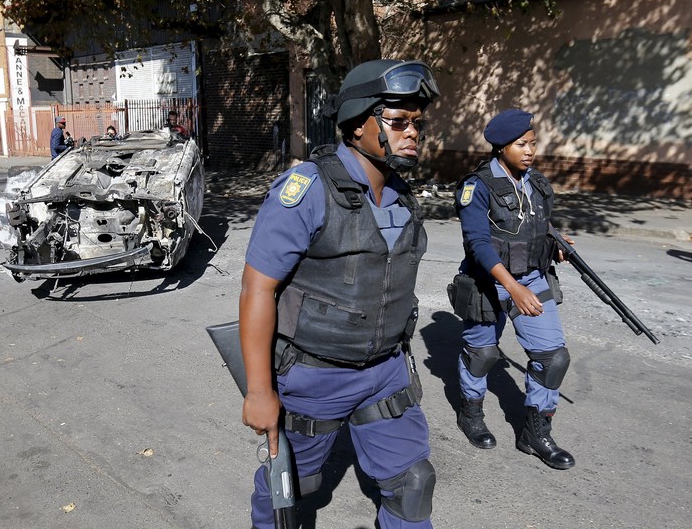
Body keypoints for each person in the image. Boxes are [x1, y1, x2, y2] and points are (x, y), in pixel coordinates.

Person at [239, 59, 440, 529]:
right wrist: (259, 391)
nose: (412, 132)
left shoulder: (401, 194)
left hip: (386, 370)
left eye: (417, 123)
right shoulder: (306, 189)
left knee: (414, 484)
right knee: (289, 490)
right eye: (398, 121)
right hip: (314, 375)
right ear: (356, 124)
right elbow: (257, 288)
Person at [451, 108, 575, 470]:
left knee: (553, 358)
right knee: (483, 354)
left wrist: (555, 241)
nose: (530, 150)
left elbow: (535, 225)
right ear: (502, 147)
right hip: (487, 282)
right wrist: (511, 287)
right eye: (522, 144)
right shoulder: (477, 186)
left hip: (533, 278)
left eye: (533, 143)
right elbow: (478, 243)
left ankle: (536, 433)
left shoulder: (534, 181)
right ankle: (470, 412)